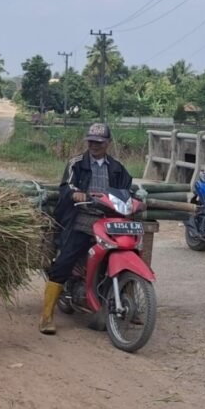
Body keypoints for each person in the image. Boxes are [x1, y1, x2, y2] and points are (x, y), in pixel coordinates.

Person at [39, 122, 133, 335]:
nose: (94, 145)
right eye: (91, 141)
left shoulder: (117, 168)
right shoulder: (76, 163)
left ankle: (124, 304)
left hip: (108, 221)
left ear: (107, 143)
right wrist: (75, 193)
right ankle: (46, 316)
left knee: (122, 255)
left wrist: (135, 200)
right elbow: (67, 185)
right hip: (81, 219)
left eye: (99, 142)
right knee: (64, 261)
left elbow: (127, 189)